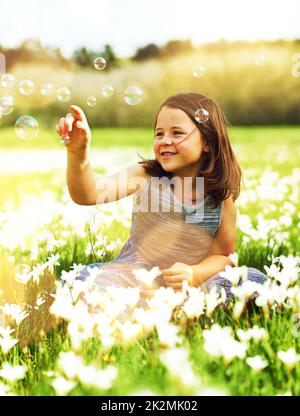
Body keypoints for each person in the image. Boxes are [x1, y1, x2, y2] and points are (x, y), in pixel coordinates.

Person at [55, 92, 268, 307]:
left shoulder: (221, 195)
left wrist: (194, 273)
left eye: (177, 133)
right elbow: (87, 193)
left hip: (187, 285)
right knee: (84, 281)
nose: (165, 140)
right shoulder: (145, 176)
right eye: (159, 133)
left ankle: (173, 308)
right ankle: (161, 309)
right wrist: (78, 154)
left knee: (250, 279)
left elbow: (224, 257)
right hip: (134, 278)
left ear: (207, 142)